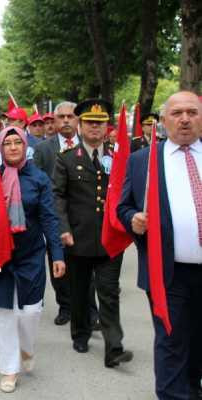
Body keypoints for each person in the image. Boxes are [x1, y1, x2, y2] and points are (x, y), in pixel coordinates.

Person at [118, 91, 202, 399]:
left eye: (192, 112)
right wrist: (133, 219)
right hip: (167, 272)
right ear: (164, 120)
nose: (184, 119)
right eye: (177, 113)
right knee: (170, 341)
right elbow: (122, 205)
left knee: (195, 344)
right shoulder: (144, 161)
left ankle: (192, 388)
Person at [53, 99, 133, 368]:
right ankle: (81, 332)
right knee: (79, 289)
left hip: (111, 238)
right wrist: (63, 228)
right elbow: (58, 197)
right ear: (80, 125)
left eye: (100, 123)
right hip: (78, 237)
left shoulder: (118, 157)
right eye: (89, 123)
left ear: (107, 127)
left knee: (109, 291)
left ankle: (114, 347)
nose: (95, 128)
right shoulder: (67, 159)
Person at [0, 126, 65, 393]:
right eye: (7, 143)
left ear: (25, 145)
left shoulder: (39, 178)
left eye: (17, 142)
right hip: (0, 254)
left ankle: (27, 349)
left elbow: (49, 219)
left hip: (30, 253)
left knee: (31, 312)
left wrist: (57, 254)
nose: (12, 147)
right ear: (0, 147)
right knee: (4, 313)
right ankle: (9, 369)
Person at [33, 101, 98, 327]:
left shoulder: (87, 145)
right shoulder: (43, 149)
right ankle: (66, 307)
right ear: (55, 120)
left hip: (83, 218)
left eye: (71, 116)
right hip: (54, 216)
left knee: (86, 266)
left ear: (78, 120)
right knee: (58, 262)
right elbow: (37, 181)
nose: (66, 121)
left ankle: (91, 311)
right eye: (61, 117)